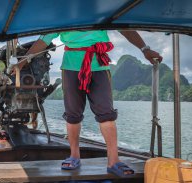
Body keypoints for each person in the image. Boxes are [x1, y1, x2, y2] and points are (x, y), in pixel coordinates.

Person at [16, 30, 162, 175]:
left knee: (107, 114)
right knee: (72, 114)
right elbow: (44, 39)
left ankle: (114, 161)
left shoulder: (103, 9)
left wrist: (145, 49)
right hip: (71, 67)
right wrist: (22, 61)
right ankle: (74, 156)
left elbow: (125, 29)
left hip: (99, 66)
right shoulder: (63, 13)